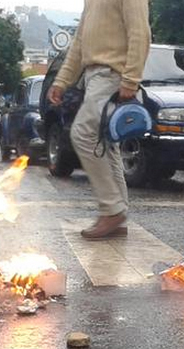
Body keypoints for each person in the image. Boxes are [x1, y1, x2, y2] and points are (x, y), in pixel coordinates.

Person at [46, 0, 151, 239]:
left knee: (82, 134)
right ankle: (117, 213)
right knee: (105, 145)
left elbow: (140, 32)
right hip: (94, 76)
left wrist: (131, 79)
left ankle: (112, 209)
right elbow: (79, 43)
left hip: (112, 74)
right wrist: (62, 81)